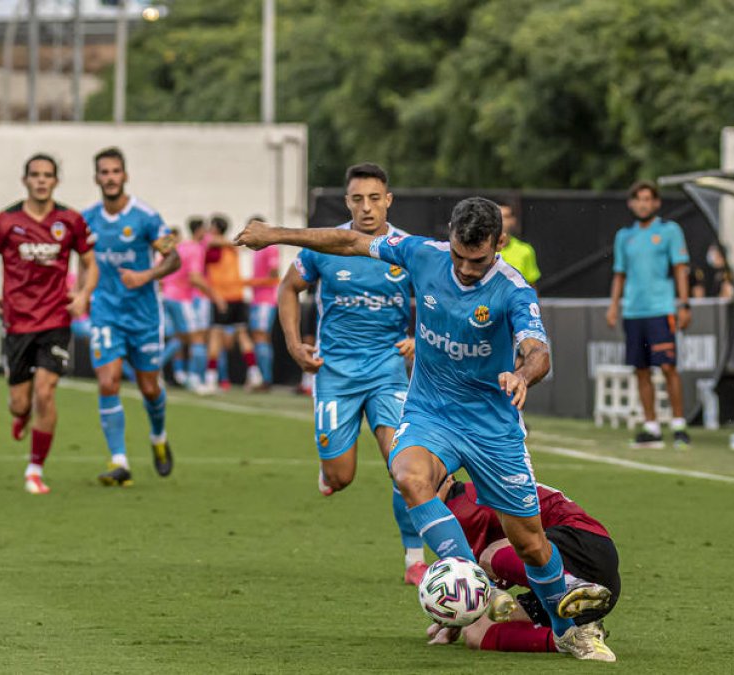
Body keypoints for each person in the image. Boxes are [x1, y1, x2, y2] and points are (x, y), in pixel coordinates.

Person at [236, 197, 615, 661]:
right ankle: (466, 580)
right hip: (431, 412)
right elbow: (351, 240)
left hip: (491, 425)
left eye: (476, 260)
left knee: (530, 543)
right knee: (410, 477)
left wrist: (522, 374)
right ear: (449, 238)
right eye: (458, 255)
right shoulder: (422, 253)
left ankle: (566, 628)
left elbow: (538, 351)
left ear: (498, 244)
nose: (464, 268)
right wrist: (275, 233)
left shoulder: (513, 289)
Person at [277, 162, 424, 584]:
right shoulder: (325, 246)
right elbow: (288, 289)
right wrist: (293, 343)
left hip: (387, 371)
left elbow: (440, 300)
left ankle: (414, 559)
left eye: (375, 198)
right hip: (335, 372)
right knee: (342, 477)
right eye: (358, 199)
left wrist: (420, 337)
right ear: (347, 203)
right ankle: (329, 472)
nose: (367, 208)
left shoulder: (406, 248)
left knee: (403, 466)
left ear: (388, 200)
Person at [0, 153, 97, 495]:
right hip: (17, 321)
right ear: (25, 180)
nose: (41, 180)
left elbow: (90, 261)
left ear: (56, 181)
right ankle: (19, 415)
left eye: (47, 175)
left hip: (55, 319)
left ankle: (35, 469)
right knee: (20, 402)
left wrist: (84, 293)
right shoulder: (6, 221)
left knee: (45, 392)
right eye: (35, 175)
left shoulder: (70, 220)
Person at [425, 476, 619, 656]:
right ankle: (578, 637)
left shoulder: (464, 504)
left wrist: (457, 613)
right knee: (476, 633)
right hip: (599, 583)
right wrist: (460, 620)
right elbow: (485, 580)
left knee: (489, 555)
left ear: (449, 476)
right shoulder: (451, 509)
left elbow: (475, 577)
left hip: (582, 543)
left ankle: (571, 585)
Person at [80, 147, 180, 486]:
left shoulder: (146, 217)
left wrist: (145, 276)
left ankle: (158, 437)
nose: (109, 178)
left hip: (144, 316)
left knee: (149, 388)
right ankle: (119, 460)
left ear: (125, 176)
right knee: (107, 381)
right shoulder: (86, 220)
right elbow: (77, 259)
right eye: (104, 172)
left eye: (115, 172)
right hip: (106, 313)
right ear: (96, 178)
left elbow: (173, 259)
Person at [605, 180, 692, 449]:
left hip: (661, 309)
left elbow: (680, 269)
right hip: (633, 312)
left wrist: (684, 304)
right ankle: (651, 427)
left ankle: (678, 426)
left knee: (668, 367)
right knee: (641, 369)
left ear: (656, 203)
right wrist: (614, 305)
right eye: (638, 199)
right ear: (632, 204)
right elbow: (619, 274)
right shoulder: (624, 236)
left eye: (648, 199)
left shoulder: (669, 231)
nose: (643, 204)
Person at [163, 217, 225, 394]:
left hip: (170, 295)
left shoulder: (181, 246)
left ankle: (158, 372)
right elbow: (195, 277)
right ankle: (195, 379)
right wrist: (215, 296)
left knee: (180, 338)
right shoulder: (196, 249)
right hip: (181, 298)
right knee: (197, 338)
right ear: (199, 231)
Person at [204, 213, 259, 391]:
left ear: (214, 227)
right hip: (236, 294)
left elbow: (212, 241)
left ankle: (211, 378)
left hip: (224, 296)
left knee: (216, 336)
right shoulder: (228, 245)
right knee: (242, 335)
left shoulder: (214, 242)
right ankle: (253, 372)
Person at [249, 223, 281, 389]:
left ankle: (266, 378)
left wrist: (258, 282)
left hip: (266, 299)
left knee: (262, 336)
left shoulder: (271, 247)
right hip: (256, 299)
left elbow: (274, 271)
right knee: (257, 336)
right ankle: (261, 376)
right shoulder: (255, 249)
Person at [498, 202, 540, 285]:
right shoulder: (481, 248)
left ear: (513, 220)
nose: (502, 221)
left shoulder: (525, 251)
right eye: (498, 217)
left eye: (505, 217)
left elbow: (531, 286)